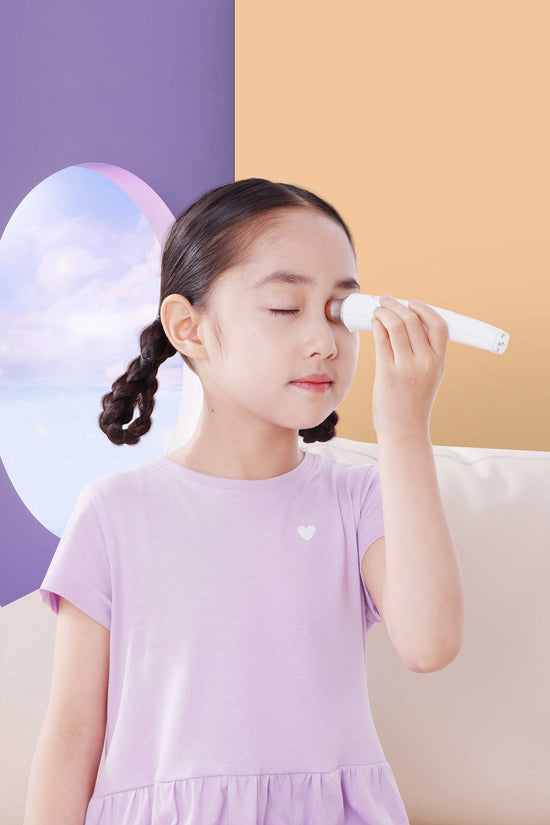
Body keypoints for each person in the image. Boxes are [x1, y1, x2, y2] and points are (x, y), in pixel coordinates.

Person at [26, 177, 464, 824]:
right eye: (286, 307)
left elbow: (429, 645)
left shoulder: (360, 497)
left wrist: (404, 428)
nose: (323, 339)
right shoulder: (116, 512)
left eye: (341, 311)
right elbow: (70, 738)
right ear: (190, 327)